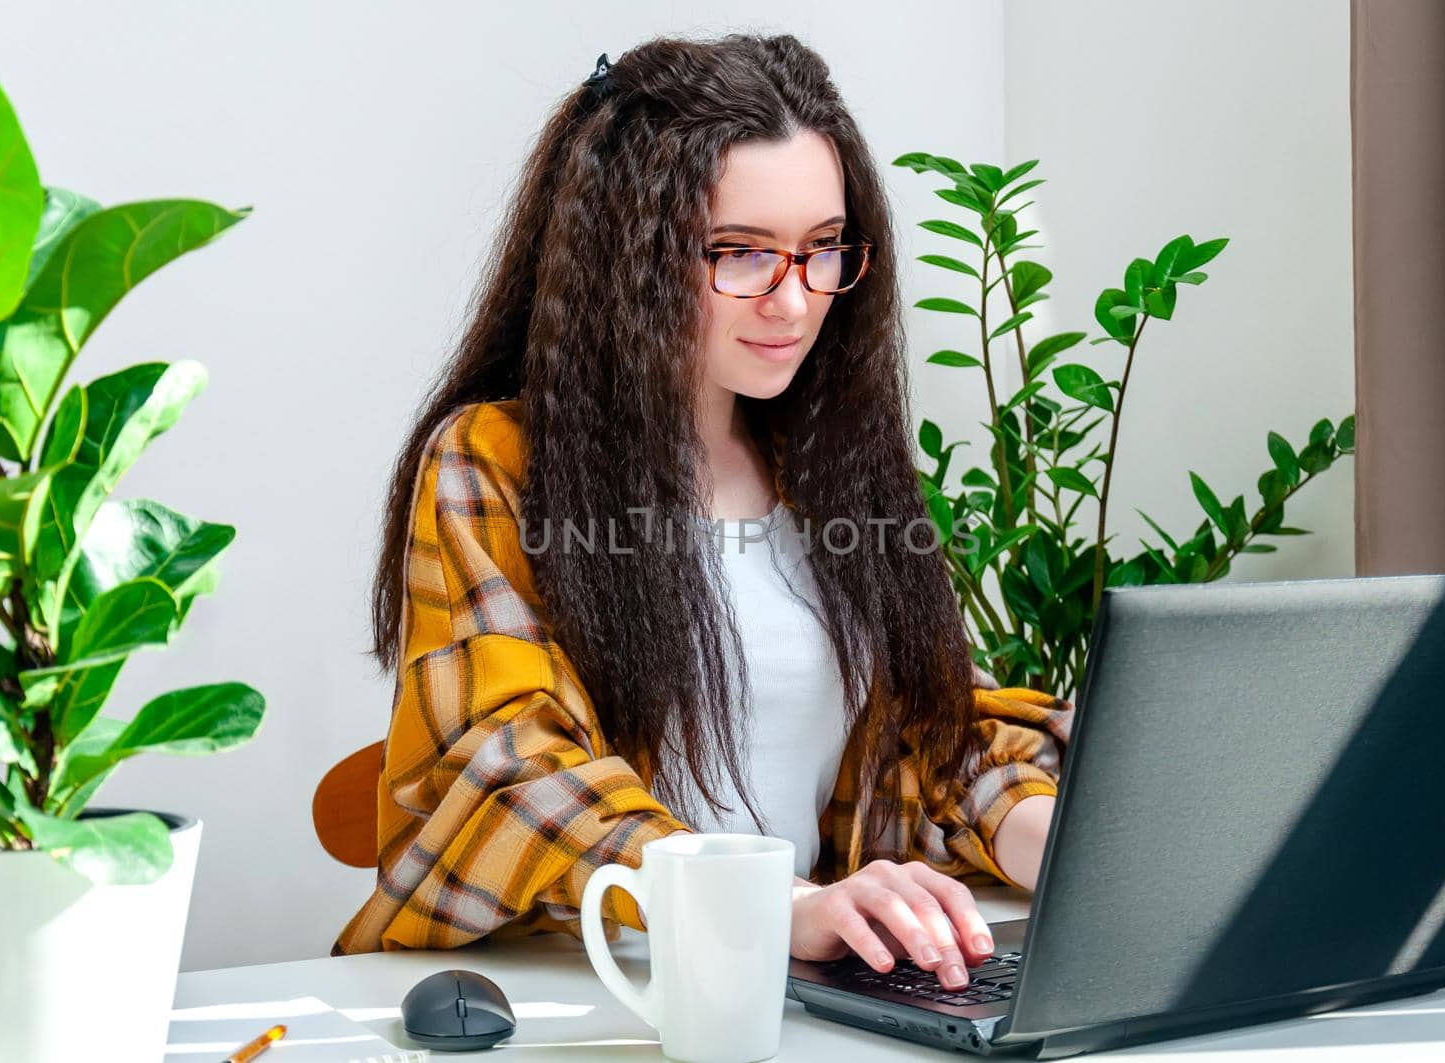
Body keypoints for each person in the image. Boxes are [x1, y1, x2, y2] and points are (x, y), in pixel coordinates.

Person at [333, 32, 1072, 995]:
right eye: (740, 253)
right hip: (590, 996)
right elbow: (508, 773)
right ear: (624, 257)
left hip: (794, 989)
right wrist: (778, 905)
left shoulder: (830, 468)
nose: (795, 301)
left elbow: (936, 737)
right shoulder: (493, 465)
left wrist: (1057, 839)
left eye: (822, 250)